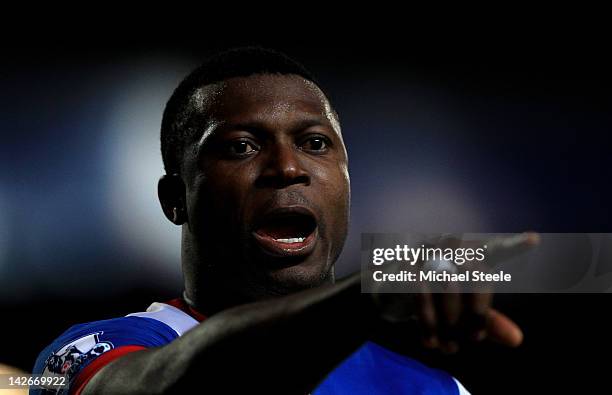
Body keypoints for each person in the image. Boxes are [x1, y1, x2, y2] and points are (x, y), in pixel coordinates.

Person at [32, 47, 535, 395]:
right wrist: (363, 299)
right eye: (241, 147)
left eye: (315, 143)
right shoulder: (88, 353)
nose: (288, 168)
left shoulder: (433, 388)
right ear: (175, 199)